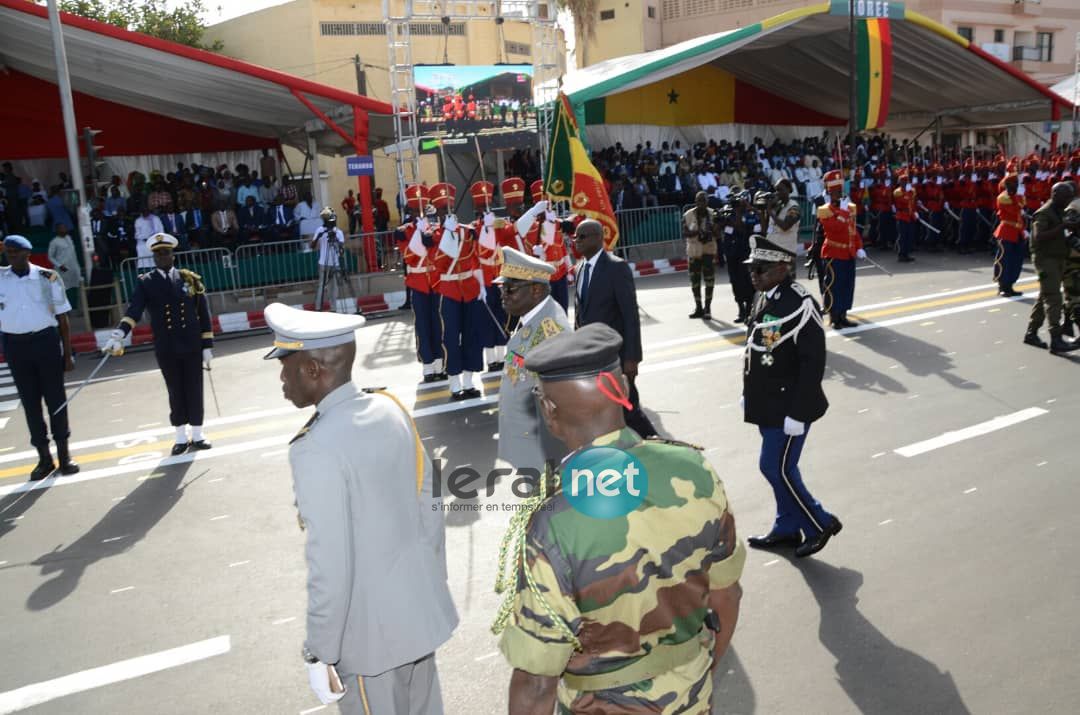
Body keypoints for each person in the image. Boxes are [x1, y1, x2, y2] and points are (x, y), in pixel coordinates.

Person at [494, 322, 745, 714]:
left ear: (548, 410)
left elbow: (536, 681)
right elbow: (727, 596)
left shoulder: (554, 522)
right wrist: (700, 678)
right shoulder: (694, 470)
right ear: (624, 390)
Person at [262, 303, 457, 713]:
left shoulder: (315, 447)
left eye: (286, 365)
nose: (281, 378)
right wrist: (428, 587)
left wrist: (320, 650)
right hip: (418, 616)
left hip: (371, 642)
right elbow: (431, 504)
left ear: (314, 370)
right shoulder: (390, 408)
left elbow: (330, 562)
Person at [741, 236, 841, 558]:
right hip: (768, 402)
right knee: (778, 468)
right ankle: (786, 526)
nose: (754, 274)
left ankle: (819, 523)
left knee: (776, 467)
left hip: (789, 406)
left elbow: (813, 364)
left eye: (761, 268)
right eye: (752, 268)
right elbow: (756, 351)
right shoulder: (764, 297)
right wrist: (748, 393)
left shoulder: (801, 303)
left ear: (782, 269)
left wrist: (798, 413)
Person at [102, 234, 215, 455]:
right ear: (153, 258)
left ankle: (198, 433)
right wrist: (119, 333)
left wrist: (207, 345)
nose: (162, 257)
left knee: (194, 387)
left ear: (173, 254)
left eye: (166, 252)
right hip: (167, 346)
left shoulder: (188, 279)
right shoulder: (146, 283)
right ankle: (181, 436)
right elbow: (134, 310)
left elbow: (203, 312)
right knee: (175, 389)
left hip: (191, 344)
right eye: (158, 254)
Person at [0, 235, 79, 480]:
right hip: (15, 346)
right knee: (31, 404)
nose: (11, 256)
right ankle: (44, 458)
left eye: (15, 252)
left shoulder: (48, 277)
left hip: (45, 342)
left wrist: (67, 354)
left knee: (56, 401)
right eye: (8, 252)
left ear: (27, 253)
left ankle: (65, 456)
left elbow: (63, 319)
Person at [572, 219, 657, 438]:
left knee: (629, 410)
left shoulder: (616, 267)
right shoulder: (580, 268)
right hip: (591, 358)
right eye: (575, 236)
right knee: (607, 411)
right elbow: (581, 316)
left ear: (599, 238)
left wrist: (632, 358)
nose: (576, 240)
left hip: (615, 358)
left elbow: (630, 315)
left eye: (582, 236)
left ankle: (658, 446)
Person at [494, 247, 570, 475]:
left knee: (546, 507)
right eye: (502, 287)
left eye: (510, 288)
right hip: (526, 441)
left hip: (541, 450)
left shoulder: (551, 330)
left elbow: (557, 402)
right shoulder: (531, 317)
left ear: (536, 290)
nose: (503, 294)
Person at [430, 182, 484, 399]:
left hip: (469, 289)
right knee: (451, 337)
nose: (446, 213)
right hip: (450, 290)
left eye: (449, 208)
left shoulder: (467, 232)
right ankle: (454, 382)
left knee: (472, 334)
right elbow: (439, 262)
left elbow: (476, 256)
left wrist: (481, 285)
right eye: (442, 210)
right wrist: (447, 234)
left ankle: (470, 381)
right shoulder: (433, 235)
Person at [1024, 181, 1080, 354]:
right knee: (1054, 298)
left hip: (1057, 258)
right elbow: (1039, 236)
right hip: (1045, 260)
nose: (1069, 200)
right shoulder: (1044, 213)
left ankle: (1031, 333)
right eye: (1066, 197)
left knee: (1044, 297)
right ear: (1055, 195)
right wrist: (1062, 226)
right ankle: (1056, 339)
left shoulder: (1060, 211)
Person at [396, 185, 444, 383]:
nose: (419, 214)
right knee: (422, 326)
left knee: (439, 324)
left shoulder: (435, 229)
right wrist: (419, 231)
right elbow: (409, 256)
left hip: (436, 283)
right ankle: (428, 367)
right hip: (418, 283)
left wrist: (431, 230)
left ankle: (441, 364)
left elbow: (441, 253)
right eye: (416, 211)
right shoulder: (403, 232)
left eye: (422, 210)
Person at [817, 170, 867, 329]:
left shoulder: (849, 208)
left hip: (848, 253)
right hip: (833, 253)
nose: (839, 195)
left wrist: (859, 247)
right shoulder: (825, 210)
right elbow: (834, 229)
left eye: (841, 191)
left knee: (847, 286)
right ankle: (834, 317)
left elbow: (852, 230)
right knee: (834, 286)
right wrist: (843, 212)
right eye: (836, 192)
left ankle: (843, 315)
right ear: (829, 193)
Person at [470, 181, 509, 371]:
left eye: (488, 205)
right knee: (487, 320)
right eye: (482, 206)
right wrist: (480, 285)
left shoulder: (499, 224)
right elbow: (475, 255)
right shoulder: (473, 229)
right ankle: (491, 359)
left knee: (501, 316)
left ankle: (502, 356)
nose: (486, 209)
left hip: (499, 276)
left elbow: (510, 233)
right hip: (484, 279)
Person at [682, 191, 719, 319]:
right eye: (699, 201)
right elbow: (684, 233)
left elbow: (718, 235)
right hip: (694, 252)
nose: (701, 203)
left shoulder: (713, 214)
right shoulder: (688, 215)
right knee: (695, 282)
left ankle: (707, 308)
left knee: (709, 281)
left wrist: (712, 229)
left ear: (707, 202)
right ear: (695, 202)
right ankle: (698, 308)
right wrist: (697, 232)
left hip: (708, 251)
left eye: (703, 201)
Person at [993, 173, 1026, 298]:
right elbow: (1015, 209)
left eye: (1016, 184)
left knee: (1016, 260)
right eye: (1013, 184)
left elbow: (1023, 205)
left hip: (1018, 232)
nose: (1015, 186)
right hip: (1006, 231)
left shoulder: (1016, 196)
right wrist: (1017, 198)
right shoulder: (1003, 197)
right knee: (1004, 260)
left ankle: (1010, 285)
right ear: (1007, 185)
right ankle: (1002, 286)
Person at [311, 208, 346, 312]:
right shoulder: (319, 230)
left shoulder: (338, 232)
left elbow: (341, 249)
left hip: (335, 263)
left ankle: (333, 309)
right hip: (323, 263)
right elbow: (312, 246)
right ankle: (318, 308)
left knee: (334, 287)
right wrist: (318, 237)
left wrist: (336, 239)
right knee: (321, 286)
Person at [47, 223, 82, 310]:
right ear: (57, 230)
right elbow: (50, 257)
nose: (64, 230)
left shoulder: (69, 238)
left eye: (65, 228)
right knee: (63, 290)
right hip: (63, 270)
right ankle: (65, 310)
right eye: (62, 228)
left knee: (79, 288)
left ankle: (80, 308)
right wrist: (59, 265)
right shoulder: (54, 242)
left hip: (74, 268)